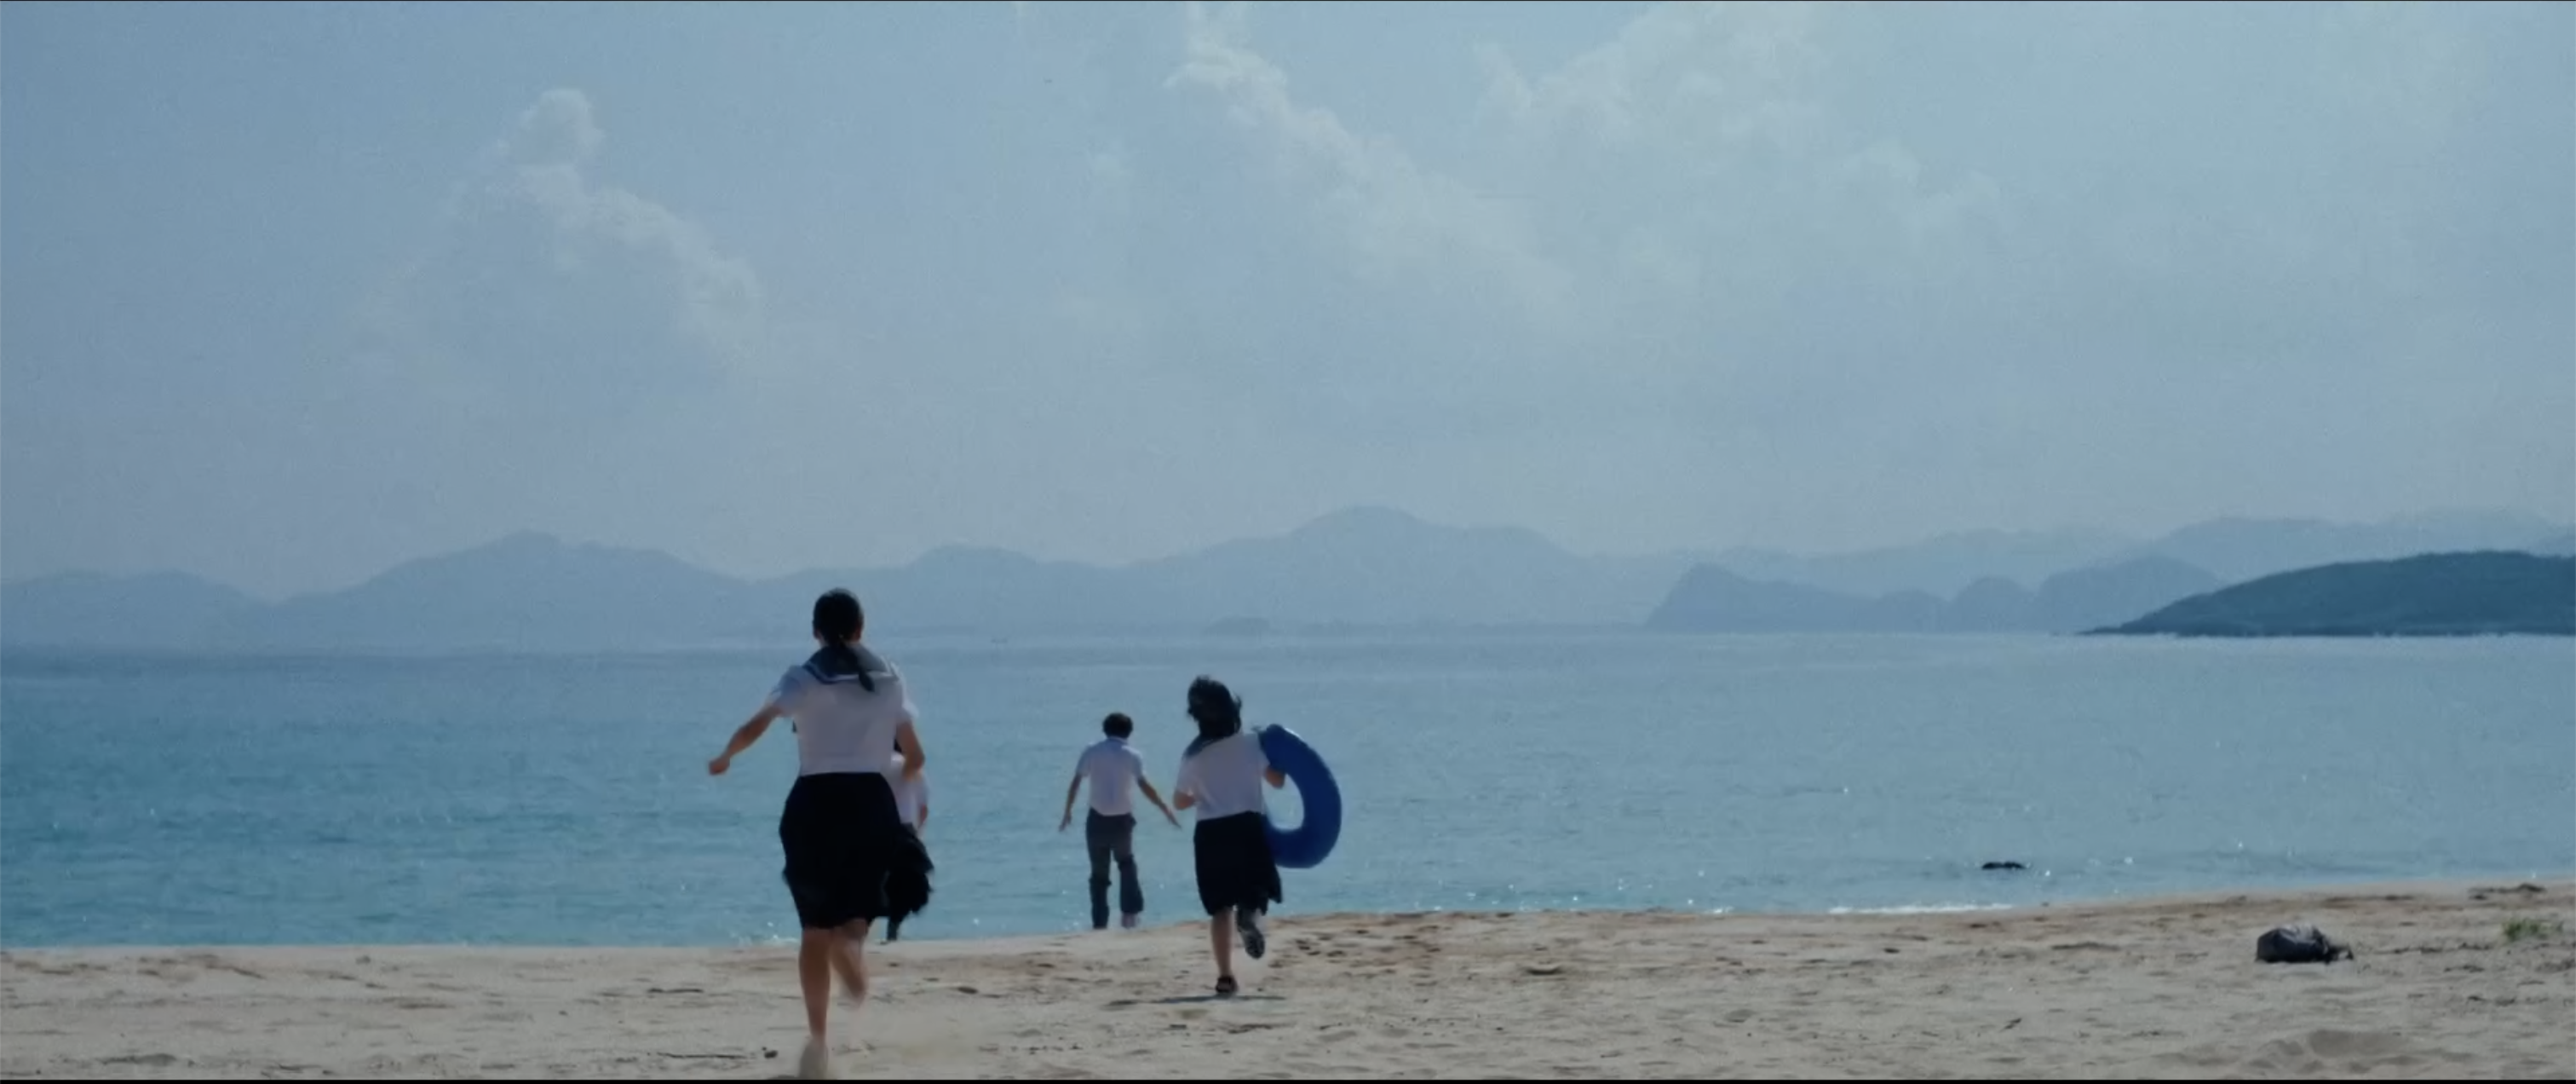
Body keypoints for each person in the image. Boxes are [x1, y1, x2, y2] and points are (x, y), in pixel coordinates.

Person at [707, 589, 932, 1081]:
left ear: (815, 631)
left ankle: (818, 1041)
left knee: (813, 930)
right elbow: (915, 755)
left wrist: (726, 756)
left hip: (813, 805)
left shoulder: (803, 677)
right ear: (861, 627)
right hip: (871, 803)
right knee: (855, 916)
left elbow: (759, 723)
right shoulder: (890, 677)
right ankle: (850, 949)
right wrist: (910, 790)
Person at [1170, 676, 1286, 998]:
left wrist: (1201, 795)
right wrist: (1284, 761)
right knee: (1255, 889)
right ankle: (1249, 916)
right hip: (1248, 827)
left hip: (1211, 833)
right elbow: (1277, 782)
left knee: (1220, 907)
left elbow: (1179, 801)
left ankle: (1225, 977)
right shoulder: (1251, 743)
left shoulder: (1193, 755)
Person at [1058, 712, 1179, 931]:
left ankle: (1099, 922)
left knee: (1098, 873)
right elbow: (1144, 785)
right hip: (1122, 819)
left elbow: (1076, 781)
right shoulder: (1132, 755)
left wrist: (1068, 811)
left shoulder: (1092, 751)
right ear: (1129, 732)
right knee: (1126, 863)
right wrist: (1164, 808)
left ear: (1105, 730)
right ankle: (1129, 915)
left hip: (1097, 819)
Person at [883, 743, 931, 943]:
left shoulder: (873, 763)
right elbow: (923, 810)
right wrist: (917, 835)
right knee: (905, 887)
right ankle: (893, 929)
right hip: (905, 830)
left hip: (875, 827)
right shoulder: (913, 769)